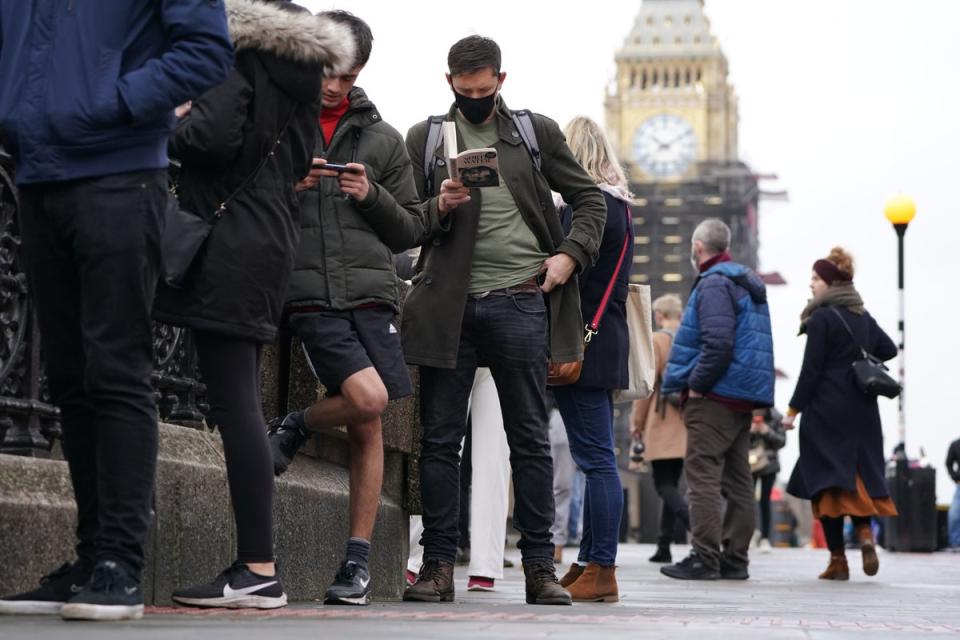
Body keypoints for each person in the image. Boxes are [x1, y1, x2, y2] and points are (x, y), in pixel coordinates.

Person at [0, 0, 232, 622]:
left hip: (120, 173)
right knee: (69, 377)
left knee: (117, 369)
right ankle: (89, 557)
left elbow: (208, 50)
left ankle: (120, 564)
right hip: (38, 175)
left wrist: (115, 103)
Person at [152, 1, 355, 609]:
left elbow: (210, 138)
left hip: (228, 241)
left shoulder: (237, 55)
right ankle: (256, 567)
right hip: (265, 239)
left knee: (234, 400)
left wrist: (171, 119)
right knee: (237, 395)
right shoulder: (300, 74)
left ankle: (257, 567)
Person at [401, 36, 606, 606]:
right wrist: (437, 206)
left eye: (483, 91)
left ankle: (539, 568)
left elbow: (590, 201)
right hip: (450, 305)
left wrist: (570, 255)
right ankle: (438, 565)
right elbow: (404, 225)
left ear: (501, 81)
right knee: (440, 441)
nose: (474, 99)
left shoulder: (534, 132)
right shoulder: (426, 140)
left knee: (530, 442)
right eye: (464, 92)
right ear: (449, 84)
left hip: (521, 298)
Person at [263, 10, 422, 607]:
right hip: (308, 291)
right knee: (369, 397)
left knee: (369, 422)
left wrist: (371, 194)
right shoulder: (280, 122)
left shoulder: (382, 138)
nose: (335, 86)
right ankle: (297, 423)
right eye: (328, 72)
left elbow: (409, 227)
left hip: (372, 291)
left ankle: (355, 565)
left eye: (347, 76)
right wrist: (288, 187)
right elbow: (238, 194)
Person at [660, 218, 775, 581]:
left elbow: (718, 342)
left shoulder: (714, 284)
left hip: (714, 396)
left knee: (703, 475)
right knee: (740, 479)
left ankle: (705, 557)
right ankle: (735, 559)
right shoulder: (745, 282)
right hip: (742, 395)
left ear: (698, 247)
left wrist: (695, 384)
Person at [549, 116, 632, 603]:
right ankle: (588, 562)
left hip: (581, 343)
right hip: (605, 340)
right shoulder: (619, 206)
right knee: (594, 456)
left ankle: (603, 568)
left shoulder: (586, 207)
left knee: (597, 460)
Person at [783, 247, 899, 580]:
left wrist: (792, 411)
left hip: (826, 411)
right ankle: (864, 534)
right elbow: (888, 348)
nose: (811, 285)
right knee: (855, 477)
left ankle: (838, 561)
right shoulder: (862, 316)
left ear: (831, 283)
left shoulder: (822, 318)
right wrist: (859, 354)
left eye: (816, 279)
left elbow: (811, 371)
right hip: (862, 410)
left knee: (826, 481)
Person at [631, 294, 689, 564]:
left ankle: (698, 530)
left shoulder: (658, 340)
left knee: (663, 484)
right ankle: (664, 545)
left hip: (662, 419)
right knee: (673, 484)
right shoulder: (690, 338)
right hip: (686, 420)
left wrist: (637, 424)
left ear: (658, 315)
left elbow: (646, 385)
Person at [750, 407, 786, 552]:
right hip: (749, 463)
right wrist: (750, 432)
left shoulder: (776, 417)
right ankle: (751, 534)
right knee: (747, 500)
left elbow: (781, 441)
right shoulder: (745, 413)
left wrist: (767, 432)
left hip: (769, 463)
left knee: (765, 500)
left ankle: (765, 538)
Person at [948, 437, 960, 548]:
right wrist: (955, 478)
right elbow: (948, 463)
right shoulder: (956, 444)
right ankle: (956, 544)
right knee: (954, 515)